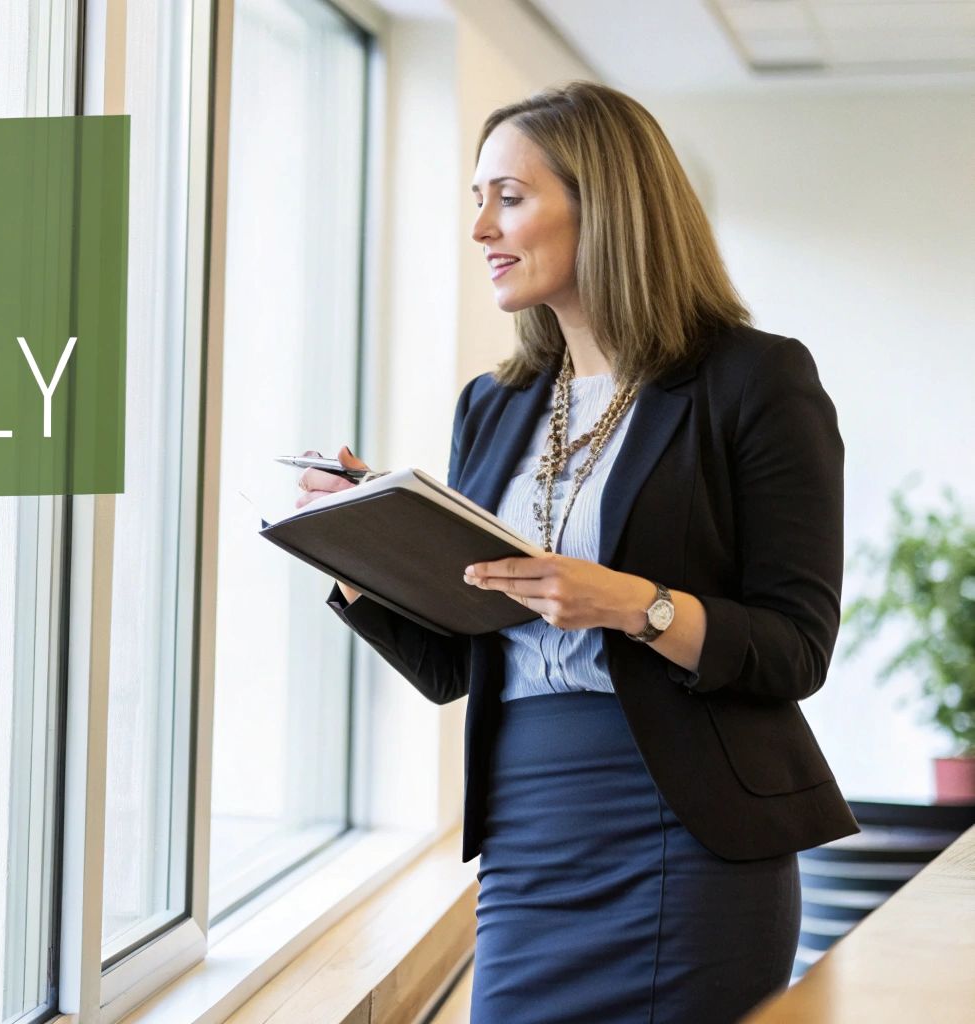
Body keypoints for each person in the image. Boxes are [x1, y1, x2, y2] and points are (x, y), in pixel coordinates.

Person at [295, 81, 857, 1023]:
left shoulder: (755, 381)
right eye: (477, 199)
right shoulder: (496, 403)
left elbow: (798, 648)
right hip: (528, 832)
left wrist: (635, 603)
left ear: (607, 206)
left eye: (509, 197)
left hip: (689, 833)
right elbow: (455, 664)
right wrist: (364, 561)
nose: (480, 227)